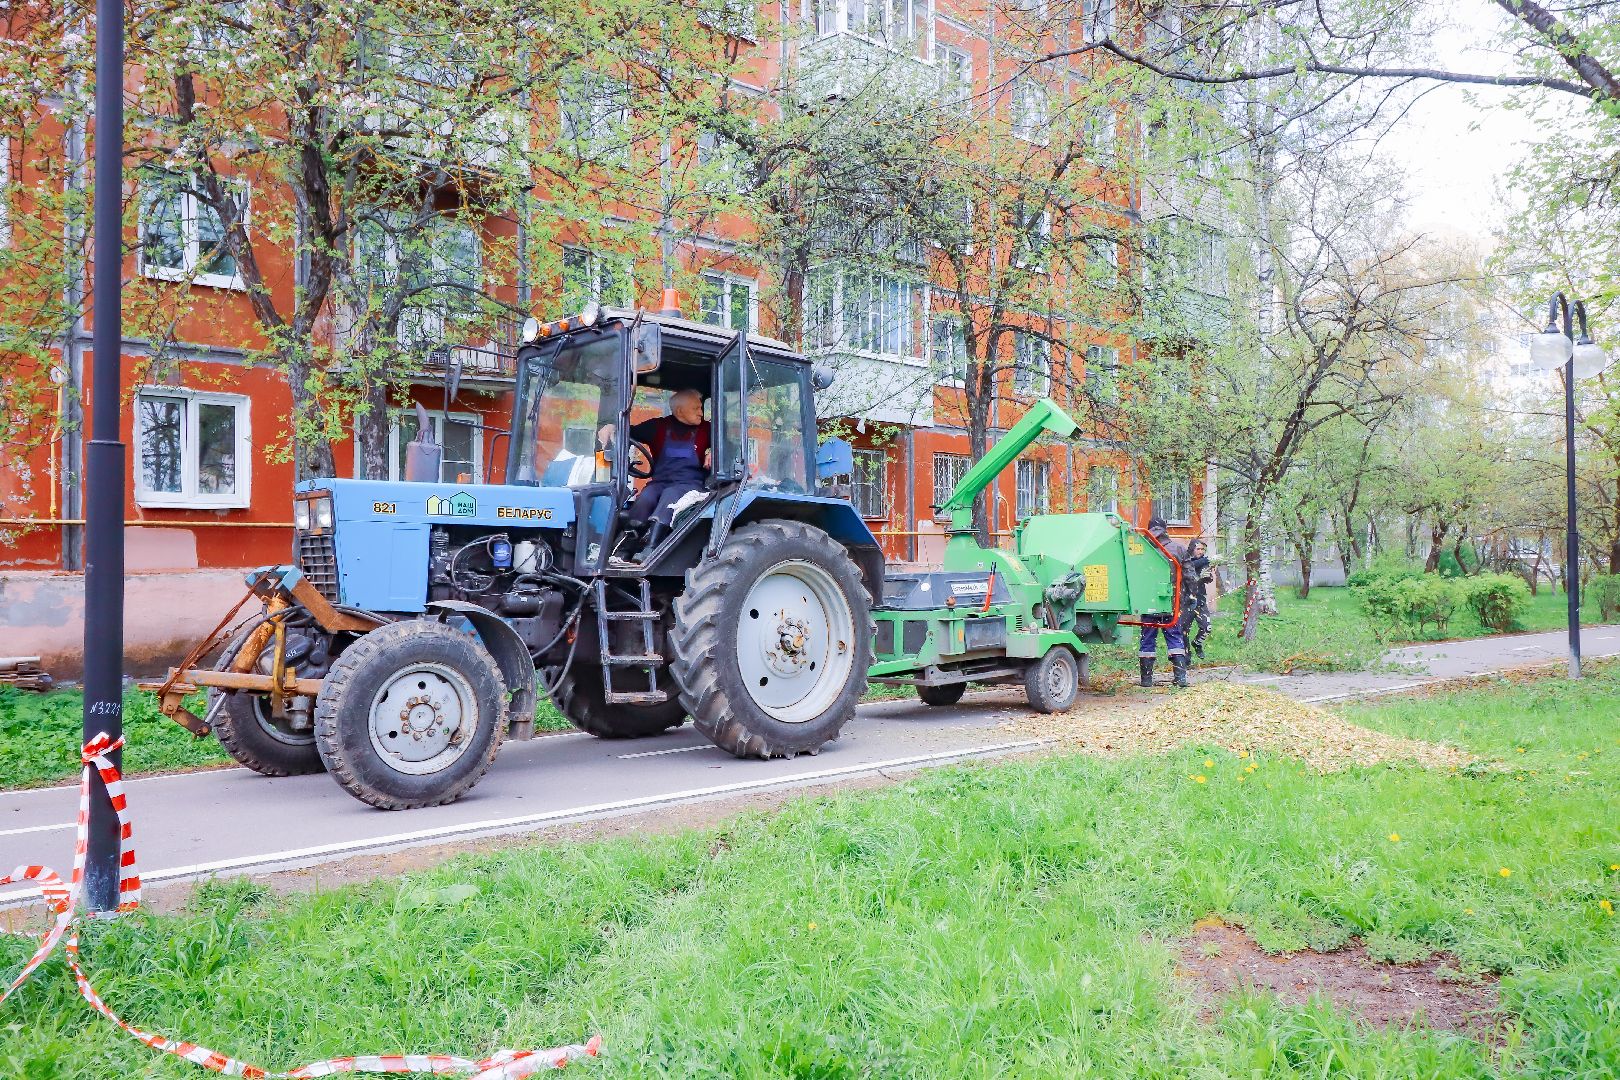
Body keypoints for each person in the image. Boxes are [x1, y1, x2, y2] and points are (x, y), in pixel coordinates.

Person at [615, 388, 710, 534]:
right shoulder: (658, 427)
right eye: (696, 408)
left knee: (670, 495)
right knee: (646, 498)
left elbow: (729, 445)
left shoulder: (707, 429)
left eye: (701, 408)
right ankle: (627, 544)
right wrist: (613, 427)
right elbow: (628, 431)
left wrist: (715, 452)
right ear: (679, 411)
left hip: (691, 484)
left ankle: (652, 546)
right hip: (660, 482)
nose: (701, 413)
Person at [1139, 515, 1190, 688]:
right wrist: (1191, 596)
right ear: (1165, 529)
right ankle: (1180, 678)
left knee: (1147, 640)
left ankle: (1146, 680)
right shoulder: (1179, 549)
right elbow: (1190, 576)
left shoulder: (1142, 550)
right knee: (1175, 637)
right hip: (1171, 603)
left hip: (1148, 603)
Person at [1181, 538, 1213, 660]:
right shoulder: (1186, 560)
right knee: (1184, 630)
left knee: (1206, 627)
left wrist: (1208, 576)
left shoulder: (1204, 562)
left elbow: (1207, 579)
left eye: (1202, 549)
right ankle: (1186, 657)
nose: (1200, 551)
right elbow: (1190, 569)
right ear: (1192, 549)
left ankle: (1197, 643)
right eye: (1198, 549)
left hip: (1200, 600)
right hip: (1187, 600)